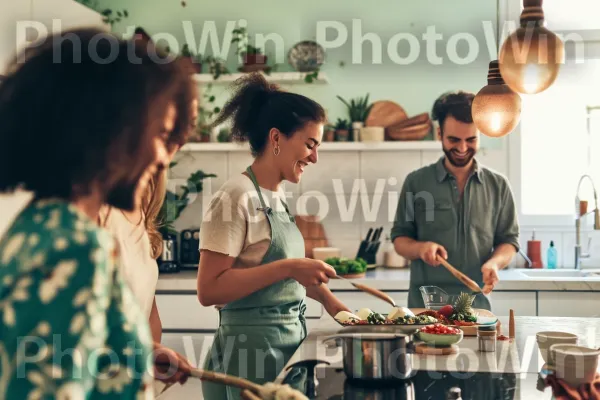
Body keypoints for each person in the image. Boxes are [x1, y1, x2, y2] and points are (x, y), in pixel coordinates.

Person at [0, 28, 195, 398]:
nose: (161, 158)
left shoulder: (40, 224)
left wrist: (131, 357)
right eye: (159, 135)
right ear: (106, 133)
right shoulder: (75, 247)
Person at [197, 73, 351, 399]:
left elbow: (286, 277)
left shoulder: (275, 196)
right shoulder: (234, 196)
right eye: (310, 144)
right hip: (249, 352)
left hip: (286, 346)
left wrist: (338, 308)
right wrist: (289, 267)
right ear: (276, 138)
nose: (314, 157)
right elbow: (209, 289)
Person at [390, 91, 520, 311]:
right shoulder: (416, 182)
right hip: (425, 309)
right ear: (439, 133)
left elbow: (509, 241)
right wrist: (422, 248)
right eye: (454, 140)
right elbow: (400, 240)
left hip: (476, 307)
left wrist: (494, 262)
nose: (462, 149)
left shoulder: (498, 185)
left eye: (471, 140)